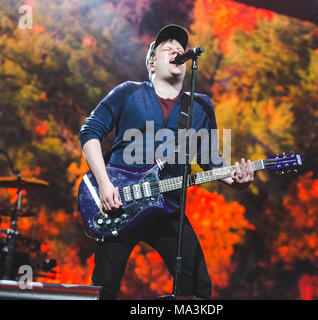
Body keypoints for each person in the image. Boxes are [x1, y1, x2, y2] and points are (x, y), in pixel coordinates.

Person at [79, 25, 254, 299]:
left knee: (197, 288)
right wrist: (103, 184)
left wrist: (236, 179)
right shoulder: (128, 92)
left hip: (167, 207)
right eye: (166, 48)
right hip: (119, 203)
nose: (176, 51)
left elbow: (210, 160)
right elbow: (89, 133)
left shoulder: (201, 106)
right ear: (152, 63)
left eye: (180, 49)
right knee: (104, 288)